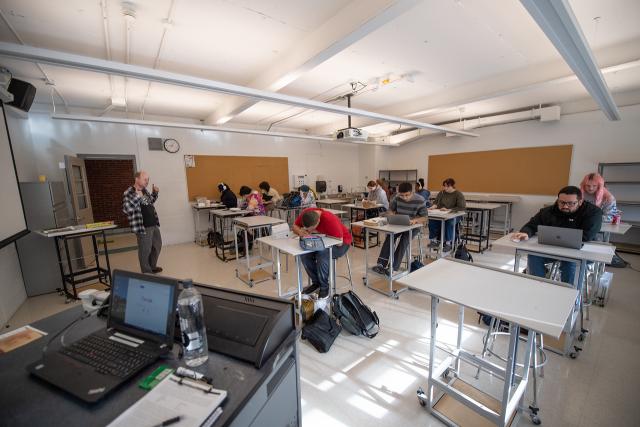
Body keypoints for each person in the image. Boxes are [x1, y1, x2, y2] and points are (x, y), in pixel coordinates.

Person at [512, 186, 603, 284]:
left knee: (570, 264)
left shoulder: (593, 212)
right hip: (553, 249)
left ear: (580, 202)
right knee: (534, 256)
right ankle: (538, 287)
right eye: (561, 202)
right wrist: (525, 232)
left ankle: (569, 296)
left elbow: (588, 235)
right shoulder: (549, 211)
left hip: (578, 251)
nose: (565, 206)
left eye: (571, 203)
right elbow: (532, 225)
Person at [293, 208, 352, 299]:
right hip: (321, 242)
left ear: (318, 221)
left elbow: (339, 242)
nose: (309, 230)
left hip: (343, 243)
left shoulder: (330, 220)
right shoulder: (306, 214)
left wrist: (317, 233)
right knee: (304, 254)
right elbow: (294, 226)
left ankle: (324, 287)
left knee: (322, 254)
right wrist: (300, 231)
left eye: (312, 228)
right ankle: (316, 283)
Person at [373, 182, 427, 276]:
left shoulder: (420, 200)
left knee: (404, 240)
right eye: (402, 195)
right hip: (399, 223)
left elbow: (425, 217)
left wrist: (415, 221)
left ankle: (393, 268)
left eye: (407, 195)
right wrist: (391, 214)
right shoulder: (397, 198)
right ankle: (381, 264)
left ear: (412, 192)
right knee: (390, 237)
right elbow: (390, 210)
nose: (404, 197)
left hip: (413, 226)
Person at [123, 171, 163, 274]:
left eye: (148, 179)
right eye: (145, 179)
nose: (147, 181)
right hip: (143, 226)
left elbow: (150, 202)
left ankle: (152, 266)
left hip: (153, 224)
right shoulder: (129, 192)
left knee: (157, 245)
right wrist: (137, 196)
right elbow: (127, 209)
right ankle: (146, 271)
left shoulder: (145, 190)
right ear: (137, 179)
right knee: (145, 250)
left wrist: (155, 193)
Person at [428, 178, 466, 252]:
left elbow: (461, 207)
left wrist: (448, 210)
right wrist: (432, 207)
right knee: (432, 220)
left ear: (452, 186)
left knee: (449, 222)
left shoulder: (458, 194)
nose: (445, 188)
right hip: (442, 214)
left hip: (455, 214)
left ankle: (448, 243)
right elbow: (436, 203)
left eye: (447, 186)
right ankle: (434, 240)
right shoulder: (442, 193)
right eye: (444, 186)